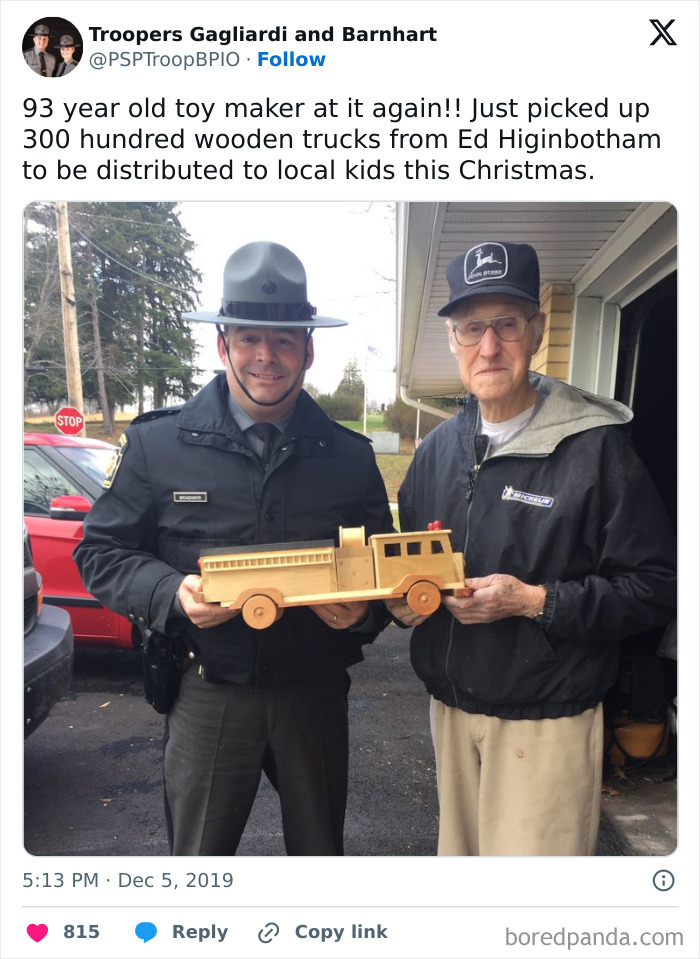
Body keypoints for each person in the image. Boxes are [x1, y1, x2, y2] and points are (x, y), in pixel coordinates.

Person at [75, 241, 394, 856]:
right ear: (223, 344)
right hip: (207, 693)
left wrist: (365, 612)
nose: (266, 357)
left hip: (314, 695)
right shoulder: (155, 445)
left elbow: (381, 566)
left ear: (308, 347)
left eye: (284, 339)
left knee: (320, 859)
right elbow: (102, 552)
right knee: (198, 867)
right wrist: (171, 593)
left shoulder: (350, 458)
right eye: (249, 338)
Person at [386, 241, 676, 856]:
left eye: (506, 325)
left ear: (537, 332)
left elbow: (656, 586)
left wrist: (534, 601)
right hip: (453, 709)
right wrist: (402, 603)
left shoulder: (597, 448)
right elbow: (408, 562)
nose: (488, 347)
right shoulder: (438, 450)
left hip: (548, 720)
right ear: (453, 340)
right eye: (471, 328)